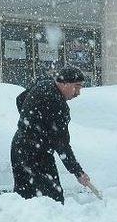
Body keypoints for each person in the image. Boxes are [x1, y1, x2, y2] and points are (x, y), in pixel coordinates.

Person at [10, 67, 91, 204]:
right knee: (53, 199)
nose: (78, 93)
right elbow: (62, 145)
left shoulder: (44, 84)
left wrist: (30, 123)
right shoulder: (58, 104)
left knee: (24, 197)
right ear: (64, 83)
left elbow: (20, 99)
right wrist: (78, 172)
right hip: (37, 154)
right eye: (76, 87)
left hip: (19, 147)